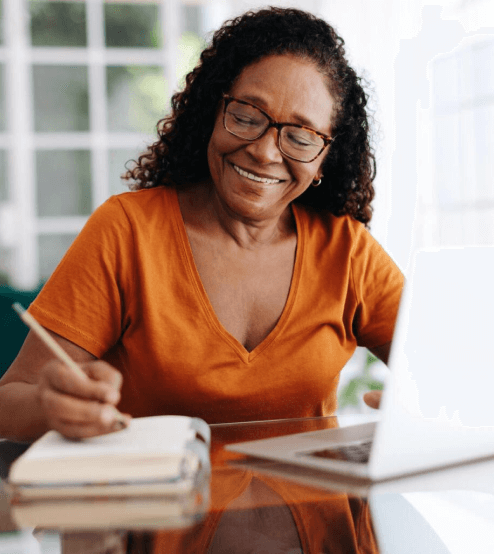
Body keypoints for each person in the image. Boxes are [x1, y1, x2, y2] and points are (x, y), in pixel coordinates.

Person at [0, 7, 403, 442]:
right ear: (212, 112)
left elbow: (450, 377)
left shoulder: (348, 252)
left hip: (317, 510)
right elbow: (9, 401)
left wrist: (424, 405)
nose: (265, 153)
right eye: (247, 117)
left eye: (300, 138)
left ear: (326, 157)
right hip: (162, 506)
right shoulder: (127, 231)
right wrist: (50, 406)